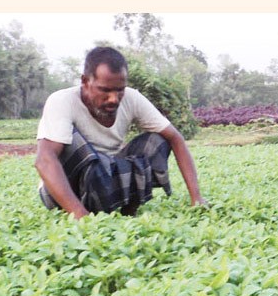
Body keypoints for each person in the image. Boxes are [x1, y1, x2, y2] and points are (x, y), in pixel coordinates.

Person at [35, 46, 206, 218]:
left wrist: (196, 197)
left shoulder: (132, 98)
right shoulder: (62, 101)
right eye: (105, 90)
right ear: (85, 81)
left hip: (106, 182)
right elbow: (44, 160)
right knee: (71, 140)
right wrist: (81, 216)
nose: (114, 98)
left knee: (157, 140)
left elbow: (176, 138)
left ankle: (128, 211)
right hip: (65, 192)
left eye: (120, 90)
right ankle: (80, 209)